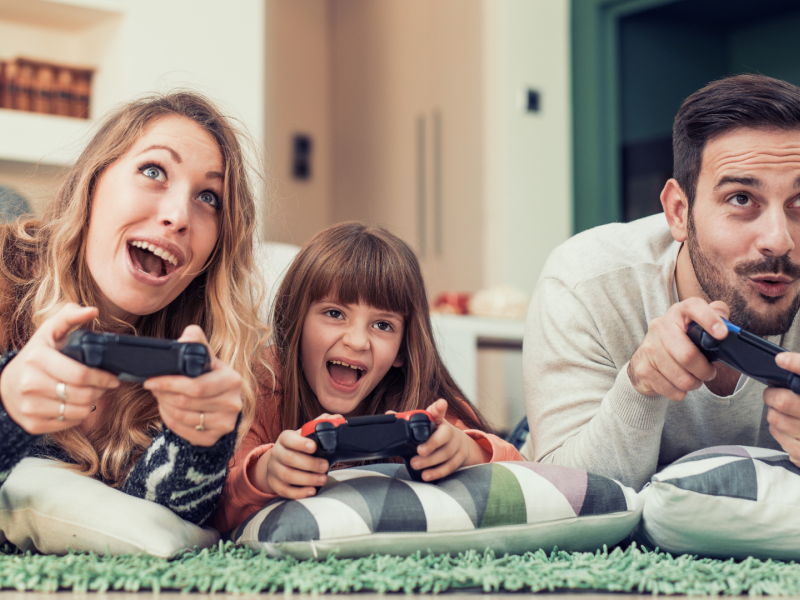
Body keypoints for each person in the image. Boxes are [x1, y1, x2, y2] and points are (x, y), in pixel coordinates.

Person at [521, 74, 800, 491]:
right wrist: (640, 385)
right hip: (584, 421)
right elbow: (568, 492)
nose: (780, 240)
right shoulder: (585, 279)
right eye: (741, 198)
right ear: (677, 212)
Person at [0, 91, 268, 525]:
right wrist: (5, 406)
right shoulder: (4, 271)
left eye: (208, 197)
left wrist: (198, 446)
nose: (179, 215)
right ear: (92, 182)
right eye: (153, 170)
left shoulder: (202, 351)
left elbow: (152, 531)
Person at [214, 222, 521, 532]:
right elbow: (215, 506)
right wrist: (262, 474)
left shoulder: (418, 397)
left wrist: (468, 450)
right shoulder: (262, 382)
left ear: (403, 349)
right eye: (334, 313)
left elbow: (522, 471)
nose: (357, 341)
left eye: (383, 325)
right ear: (296, 322)